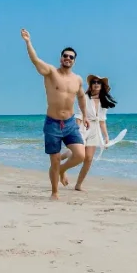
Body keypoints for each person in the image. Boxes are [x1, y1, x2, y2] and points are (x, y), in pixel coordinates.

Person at [21, 28, 90, 199]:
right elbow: (35, 60)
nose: (67, 58)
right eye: (65, 56)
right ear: (61, 58)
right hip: (52, 123)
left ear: (74, 61)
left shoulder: (78, 79)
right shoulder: (51, 72)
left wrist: (85, 115)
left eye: (71, 57)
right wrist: (28, 42)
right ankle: (55, 192)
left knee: (81, 155)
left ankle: (62, 171)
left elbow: (81, 96)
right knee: (55, 160)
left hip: (70, 123)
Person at [65, 75, 117, 191]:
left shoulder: (104, 101)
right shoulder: (84, 97)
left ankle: (78, 185)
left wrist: (106, 137)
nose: (96, 84)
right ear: (91, 85)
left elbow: (102, 121)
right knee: (77, 154)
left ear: (102, 86)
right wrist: (75, 129)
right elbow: (79, 115)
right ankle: (60, 164)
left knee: (88, 158)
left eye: (99, 82)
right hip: (83, 127)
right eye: (94, 82)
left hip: (95, 130)